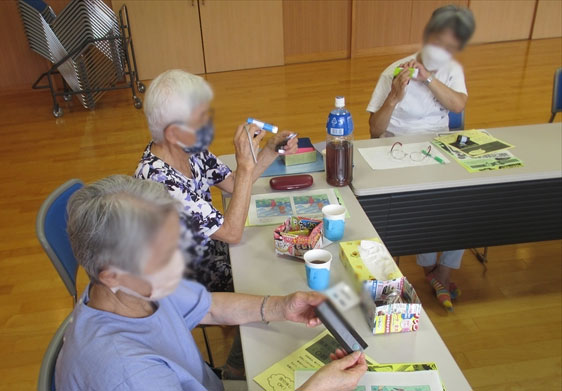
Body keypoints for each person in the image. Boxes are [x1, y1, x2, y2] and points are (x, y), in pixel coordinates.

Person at [55, 175, 367, 391]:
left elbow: (210, 308)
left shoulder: (130, 287)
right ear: (112, 275)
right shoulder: (129, 374)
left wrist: (281, 306)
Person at [135, 69, 298, 294]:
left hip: (215, 248)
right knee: (280, 271)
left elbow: (234, 184)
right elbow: (232, 233)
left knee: (281, 248)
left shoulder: (188, 149)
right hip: (191, 281)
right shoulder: (160, 182)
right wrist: (245, 164)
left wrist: (270, 150)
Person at [366, 5, 476, 310]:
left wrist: (428, 79)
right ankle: (429, 266)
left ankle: (442, 271)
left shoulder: (453, 70)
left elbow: (457, 105)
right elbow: (375, 131)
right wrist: (393, 96)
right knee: (421, 202)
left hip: (439, 147)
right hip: (397, 148)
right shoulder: (394, 70)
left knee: (466, 199)